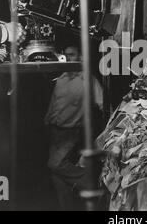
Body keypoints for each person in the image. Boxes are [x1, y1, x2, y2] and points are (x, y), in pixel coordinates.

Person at [44, 44, 103, 209]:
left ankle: (93, 184)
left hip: (71, 132)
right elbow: (54, 103)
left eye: (72, 55)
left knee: (55, 165)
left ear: (80, 57)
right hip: (53, 130)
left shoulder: (88, 80)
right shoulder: (62, 78)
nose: (68, 58)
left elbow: (103, 103)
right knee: (57, 178)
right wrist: (47, 120)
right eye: (66, 55)